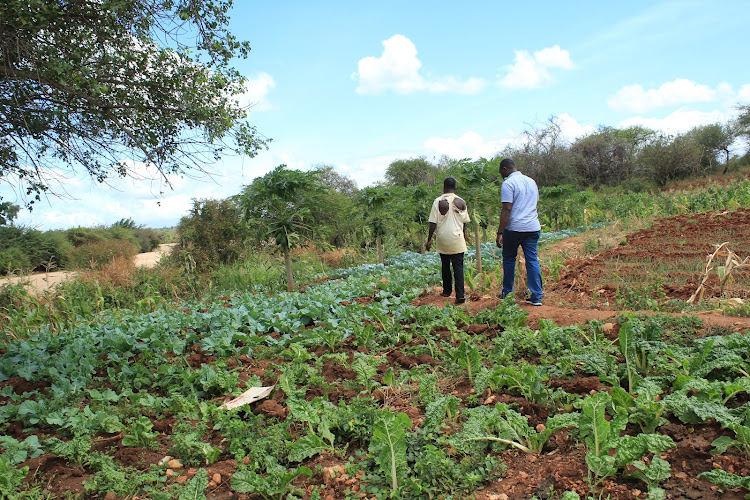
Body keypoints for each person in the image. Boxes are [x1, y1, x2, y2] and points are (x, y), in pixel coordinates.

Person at [495, 158, 543, 306]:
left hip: (515, 228)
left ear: (504, 169)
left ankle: (508, 294)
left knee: (509, 259)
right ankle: (537, 296)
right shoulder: (531, 181)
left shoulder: (508, 183)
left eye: (501, 172)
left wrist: (500, 232)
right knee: (532, 259)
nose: (502, 175)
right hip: (533, 227)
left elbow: (507, 209)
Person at [426, 177, 470, 305]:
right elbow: (464, 222)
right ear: (455, 187)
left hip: (443, 238)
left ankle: (446, 291)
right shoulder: (461, 201)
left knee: (445, 265)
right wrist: (464, 234)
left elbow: (432, 223)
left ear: (444, 186)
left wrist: (429, 239)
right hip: (457, 238)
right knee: (458, 267)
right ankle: (460, 295)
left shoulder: (438, 201)